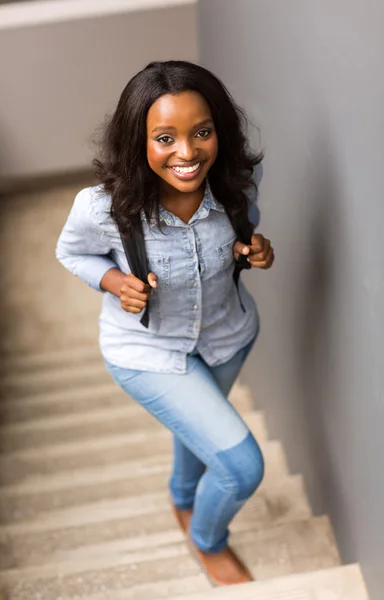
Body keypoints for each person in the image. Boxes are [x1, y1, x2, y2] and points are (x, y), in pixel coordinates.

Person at [56, 60, 274, 586]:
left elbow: (248, 230)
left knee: (197, 427)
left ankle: (182, 497)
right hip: (147, 352)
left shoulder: (239, 179)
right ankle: (207, 540)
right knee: (243, 467)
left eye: (202, 132)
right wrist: (114, 282)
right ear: (139, 141)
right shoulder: (102, 207)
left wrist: (253, 249)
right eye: (165, 138)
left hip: (227, 336)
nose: (187, 152)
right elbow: (72, 254)